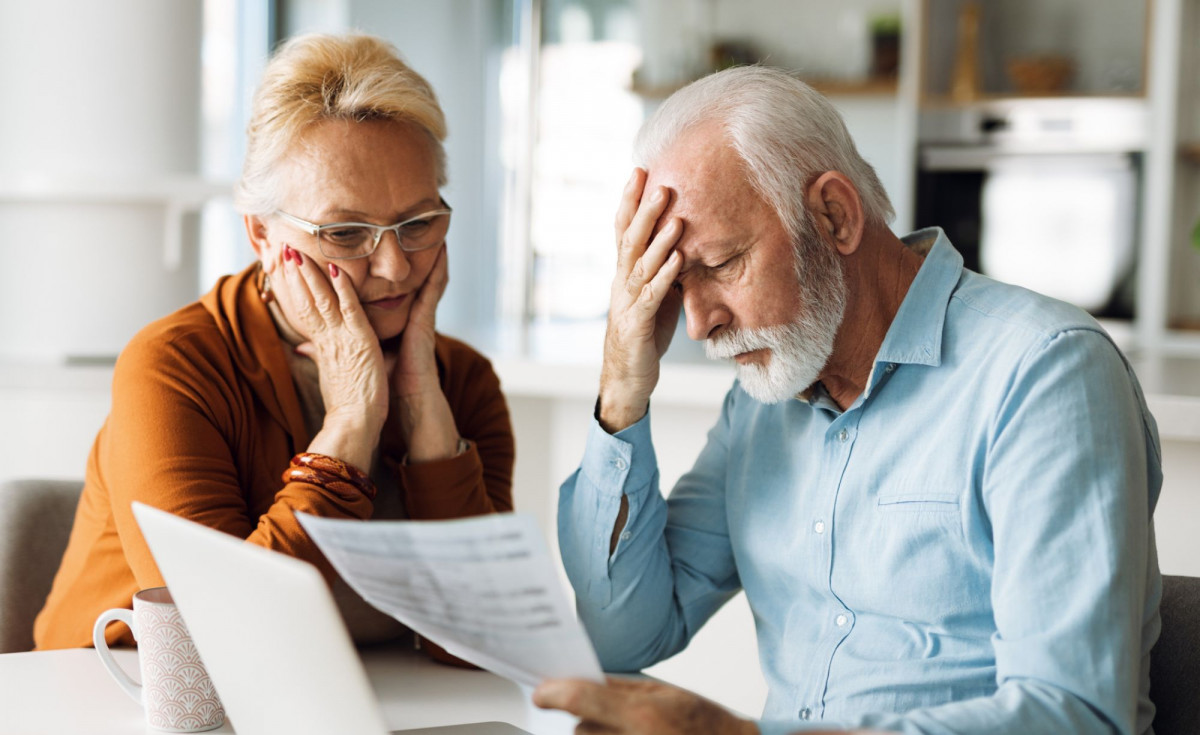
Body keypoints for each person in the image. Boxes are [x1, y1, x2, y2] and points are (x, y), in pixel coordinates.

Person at [536, 66, 1162, 734]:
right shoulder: (763, 399)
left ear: (833, 214)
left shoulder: (1044, 373)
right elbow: (620, 638)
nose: (697, 324)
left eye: (719, 266)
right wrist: (622, 388)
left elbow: (1076, 713)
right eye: (673, 284)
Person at [34, 33, 514, 659]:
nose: (395, 267)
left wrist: (423, 411)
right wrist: (351, 423)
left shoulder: (463, 380)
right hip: (118, 705)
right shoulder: (175, 366)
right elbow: (219, 638)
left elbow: (483, 642)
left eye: (418, 224)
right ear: (260, 233)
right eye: (345, 232)